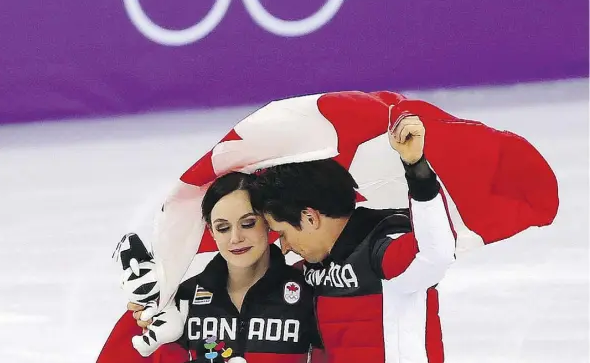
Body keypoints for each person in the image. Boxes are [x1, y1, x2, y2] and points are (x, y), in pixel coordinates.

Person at [248, 114, 456, 363]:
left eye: (283, 233)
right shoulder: (305, 272)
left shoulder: (382, 248)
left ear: (310, 218)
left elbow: (434, 255)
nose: (285, 246)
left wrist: (417, 170)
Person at [98, 172, 323, 363]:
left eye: (247, 223)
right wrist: (141, 322)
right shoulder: (182, 299)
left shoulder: (308, 291)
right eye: (223, 228)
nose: (236, 238)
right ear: (211, 232)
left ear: (268, 222)